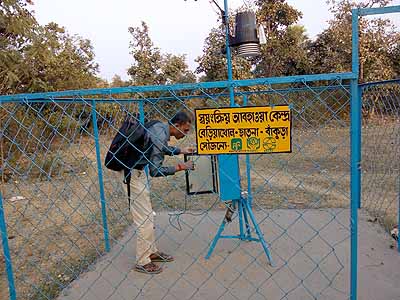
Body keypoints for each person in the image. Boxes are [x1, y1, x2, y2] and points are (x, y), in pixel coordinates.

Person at [126, 111, 195, 274]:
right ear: (176, 126)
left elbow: (160, 148)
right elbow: (155, 171)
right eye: (185, 130)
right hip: (131, 174)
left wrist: (181, 151)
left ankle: (150, 251)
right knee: (144, 219)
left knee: (148, 216)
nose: (185, 134)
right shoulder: (160, 134)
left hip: (136, 170)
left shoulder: (159, 126)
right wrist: (179, 167)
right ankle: (142, 261)